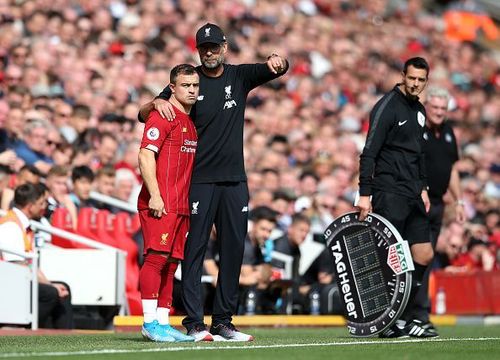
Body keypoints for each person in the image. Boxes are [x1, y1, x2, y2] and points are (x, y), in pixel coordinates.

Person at [139, 23, 288, 342]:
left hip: (235, 180)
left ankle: (223, 321)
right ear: (197, 50)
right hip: (198, 181)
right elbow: (144, 115)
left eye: (214, 47)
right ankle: (194, 322)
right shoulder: (187, 80)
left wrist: (279, 62)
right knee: (194, 251)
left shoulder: (239, 76)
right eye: (203, 48)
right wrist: (155, 103)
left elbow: (274, 68)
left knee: (234, 250)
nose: (209, 52)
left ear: (224, 47)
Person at [357, 57, 437, 338]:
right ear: (403, 75)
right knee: (394, 258)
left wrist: (424, 187)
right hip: (388, 190)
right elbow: (369, 152)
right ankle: (388, 321)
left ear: (426, 81)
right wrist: (364, 193)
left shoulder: (420, 110)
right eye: (411, 78)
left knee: (424, 253)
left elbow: (419, 154)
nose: (415, 84)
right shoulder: (386, 107)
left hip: (413, 192)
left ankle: (403, 314)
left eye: (421, 80)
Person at [137, 63, 199, 343]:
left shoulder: (189, 121)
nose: (192, 90)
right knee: (156, 259)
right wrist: (155, 195)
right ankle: (149, 322)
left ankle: (162, 322)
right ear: (172, 88)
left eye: (195, 86)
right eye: (186, 86)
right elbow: (145, 155)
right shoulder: (162, 115)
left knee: (172, 264)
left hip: (181, 204)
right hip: (160, 202)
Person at [410, 86, 467, 335]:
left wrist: (460, 200)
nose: (439, 112)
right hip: (417, 202)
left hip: (438, 204)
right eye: (435, 108)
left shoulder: (447, 132)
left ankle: (421, 314)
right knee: (414, 258)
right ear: (426, 106)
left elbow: (451, 168)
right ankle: (408, 313)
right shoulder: (416, 128)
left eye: (444, 108)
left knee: (428, 257)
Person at [0, 183, 73, 328]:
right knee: (50, 293)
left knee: (62, 289)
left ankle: (65, 336)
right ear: (30, 205)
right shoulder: (10, 226)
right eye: (41, 203)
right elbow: (17, 264)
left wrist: (51, 283)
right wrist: (50, 286)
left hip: (19, 279)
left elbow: (29, 262)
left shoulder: (23, 225)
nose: (44, 207)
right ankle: (21, 327)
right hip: (8, 282)